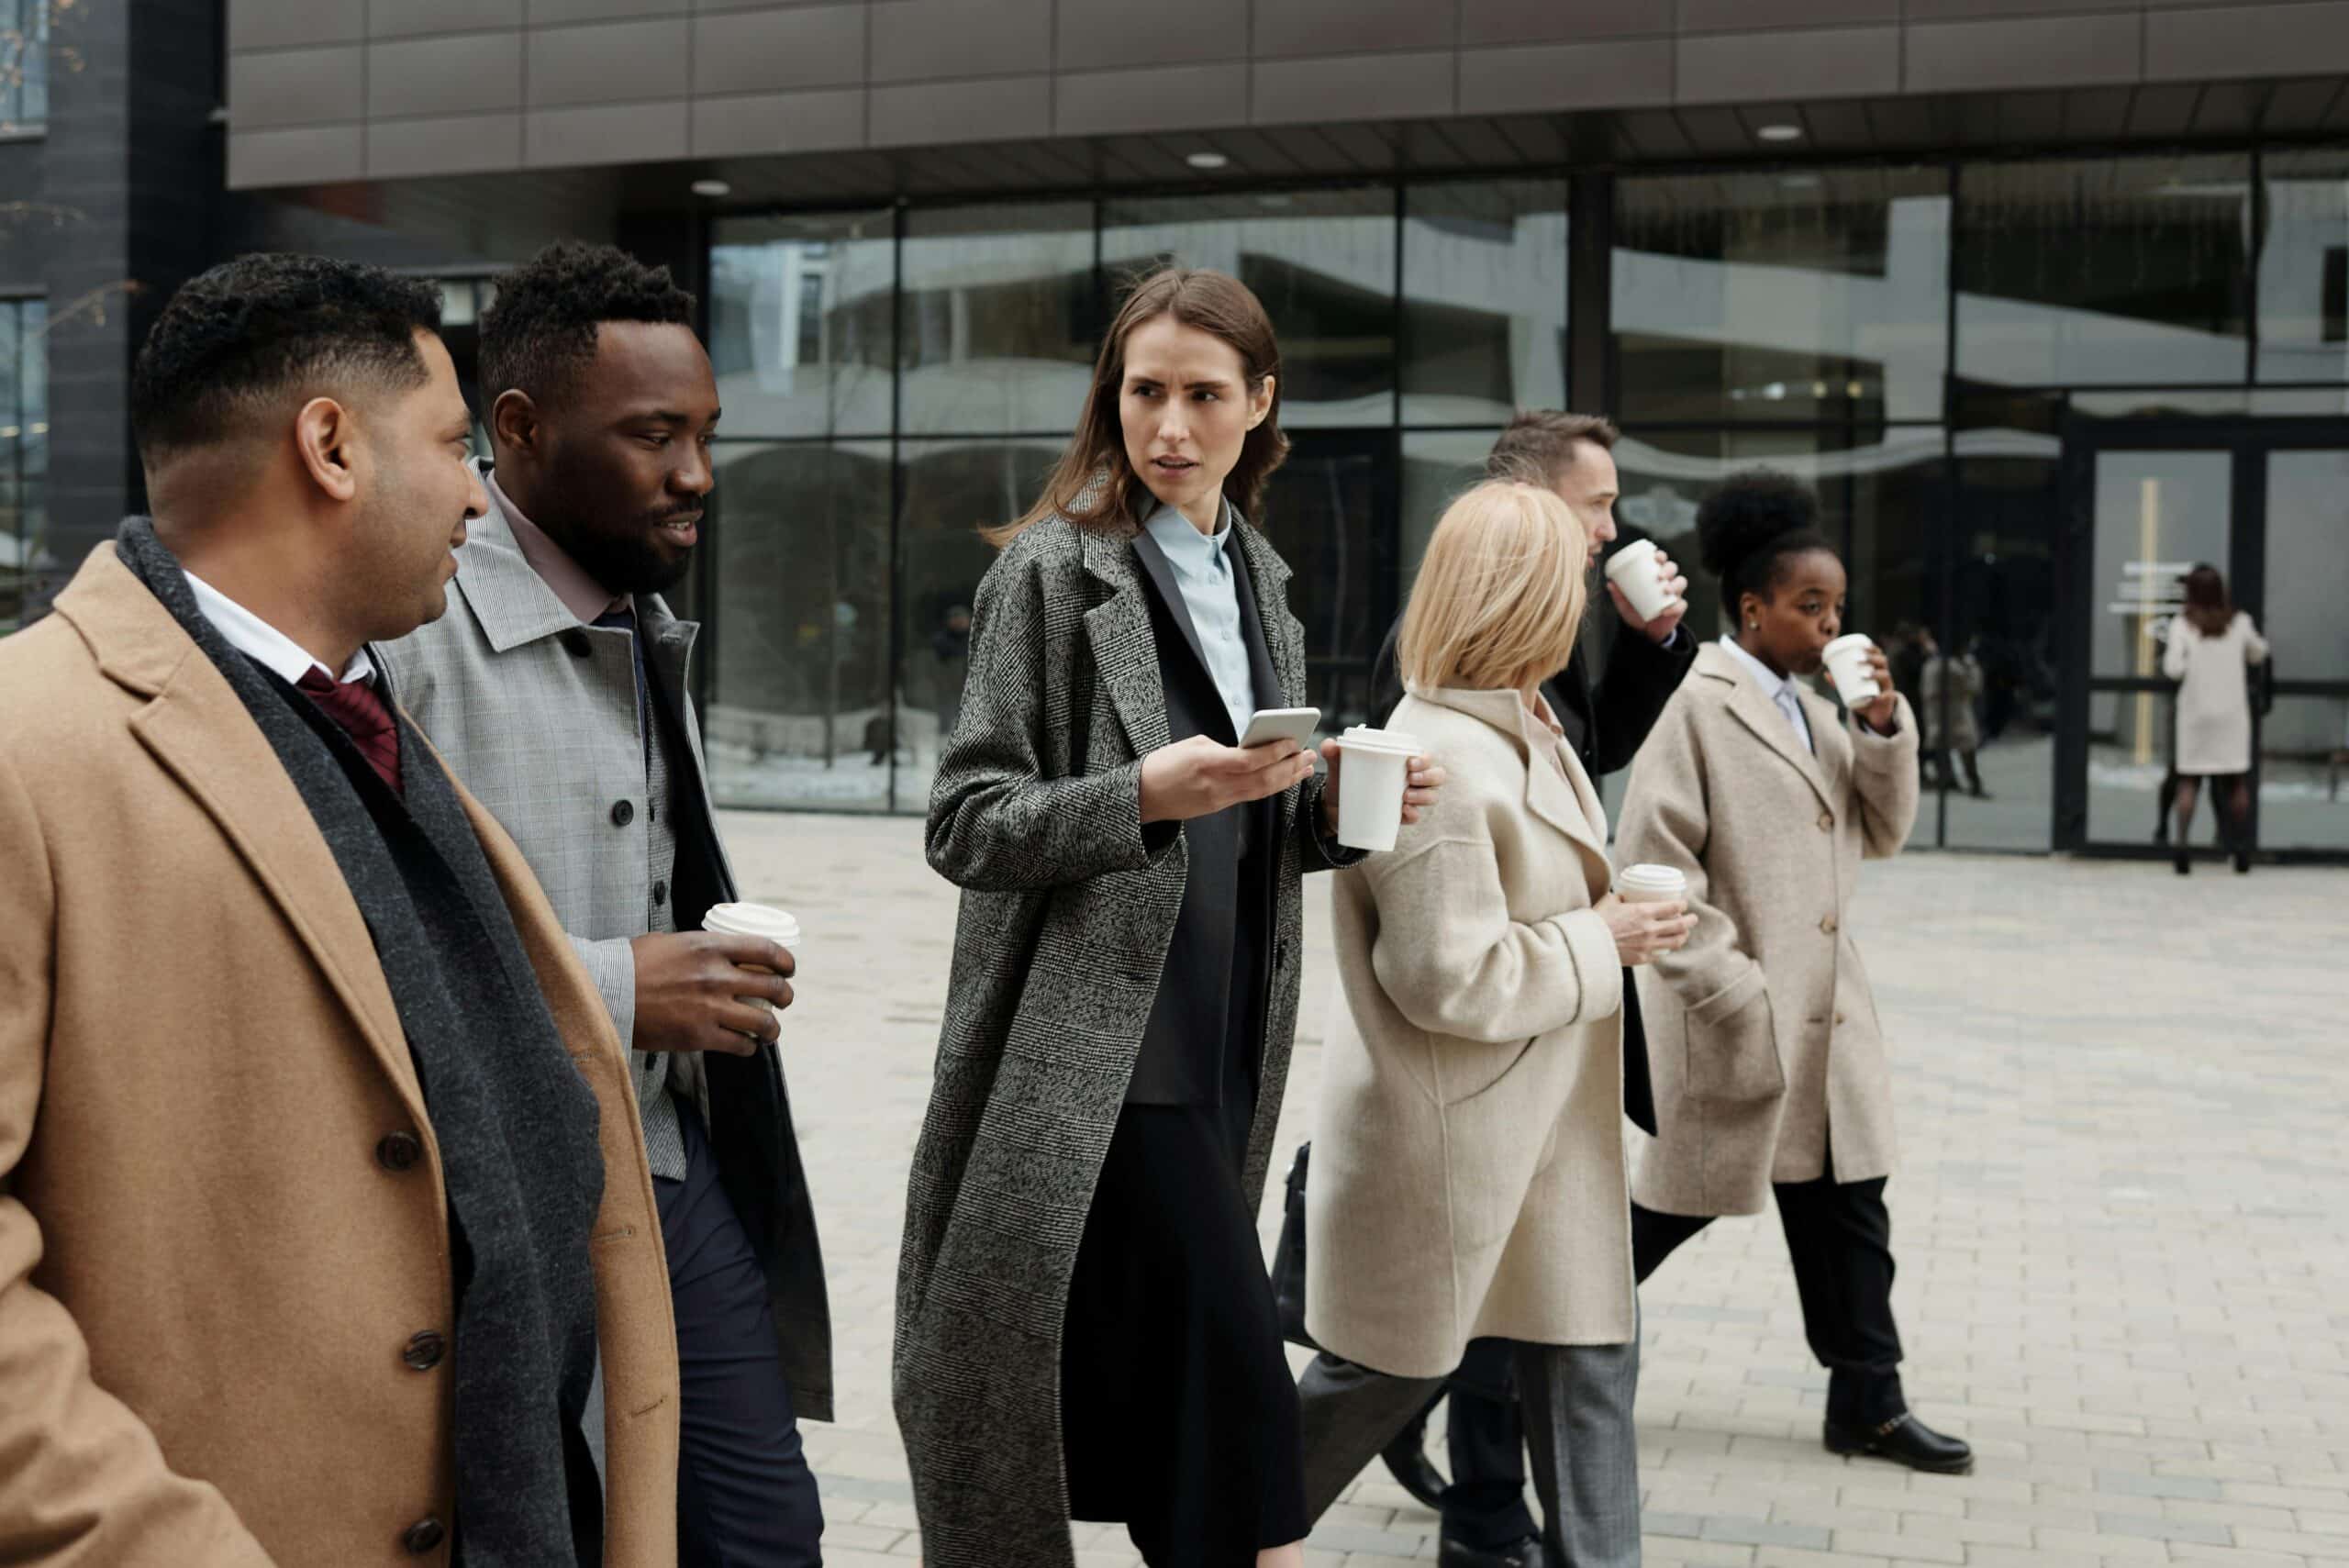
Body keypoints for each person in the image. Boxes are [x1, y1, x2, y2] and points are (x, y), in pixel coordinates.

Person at [0, 254, 680, 1563]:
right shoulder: (35, 745)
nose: (480, 497)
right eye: (451, 444)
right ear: (330, 447)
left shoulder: (367, 711)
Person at [894, 265, 1444, 1568]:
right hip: (1097, 1070)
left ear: (1261, 402)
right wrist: (1139, 792)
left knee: (1178, 1436)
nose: (1172, 425)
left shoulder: (1262, 578)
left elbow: (1248, 824)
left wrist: (1338, 810)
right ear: (1114, 396)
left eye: (1205, 394)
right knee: (1242, 1446)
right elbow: (966, 821)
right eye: (1147, 391)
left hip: (1224, 1049)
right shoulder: (1051, 570)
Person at [376, 241, 830, 1565]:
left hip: (671, 1171)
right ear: (515, 431)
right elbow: (356, 944)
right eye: (652, 435)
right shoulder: (407, 618)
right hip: (491, 1206)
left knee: (764, 1533)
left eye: (703, 434)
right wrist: (630, 986)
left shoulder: (637, 607)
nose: (696, 474)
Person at [1296, 480, 1696, 1568]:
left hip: (1541, 1134)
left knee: (1590, 1365)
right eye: (1568, 574)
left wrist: (1613, 928)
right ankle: (1216, 1531)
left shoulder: (1524, 720)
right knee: (1373, 1377)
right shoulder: (1438, 756)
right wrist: (1600, 940)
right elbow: (1444, 978)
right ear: (1523, 596)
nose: (1580, 595)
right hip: (1455, 1143)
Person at [1615, 470, 1972, 1480]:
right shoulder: (1697, 703)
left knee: (1851, 1211)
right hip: (1739, 1023)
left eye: (1839, 608)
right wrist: (1731, 986)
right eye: (1809, 605)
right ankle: (1500, 1368)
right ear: (1752, 608)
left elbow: (1886, 829)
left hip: (1826, 1029)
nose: (1828, 625)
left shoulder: (1815, 712)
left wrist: (1881, 724)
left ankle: (1869, 1397)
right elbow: (1648, 862)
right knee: (1658, 1219)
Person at [2161, 564, 2269, 875]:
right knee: (2235, 782)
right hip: (2231, 716)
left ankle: (2182, 847)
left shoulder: (2184, 625)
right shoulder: (2240, 623)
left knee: (2189, 781)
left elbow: (2173, 669)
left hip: (2195, 715)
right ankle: (2241, 850)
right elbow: (2258, 653)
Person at [1920, 628, 1987, 797]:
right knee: (1966, 749)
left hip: (1936, 715)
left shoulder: (1930, 665)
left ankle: (1947, 779)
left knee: (1942, 749)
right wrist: (1972, 665)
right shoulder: (1954, 667)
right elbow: (1973, 686)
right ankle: (1973, 783)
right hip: (1956, 714)